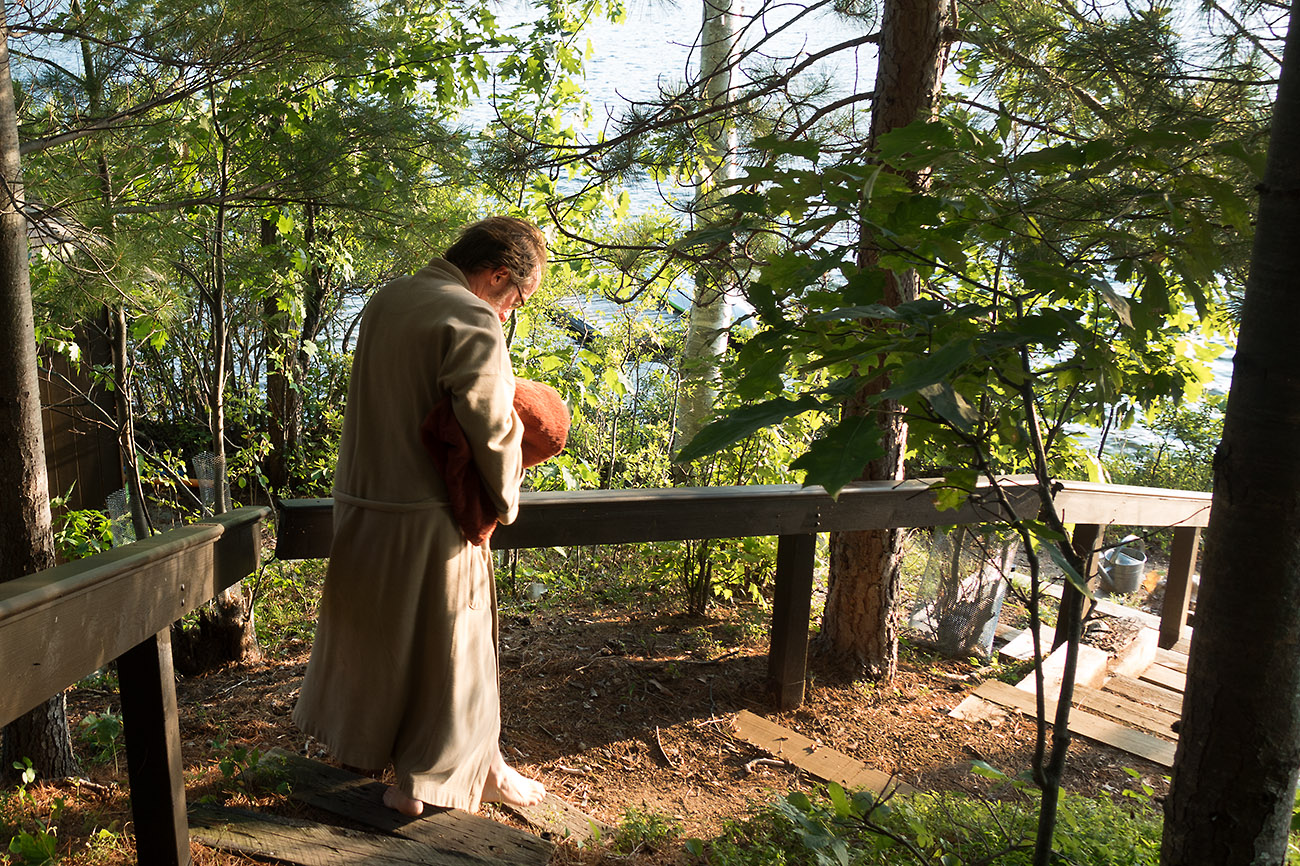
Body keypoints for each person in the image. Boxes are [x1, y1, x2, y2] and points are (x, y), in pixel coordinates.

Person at [293, 216, 548, 818]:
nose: (510, 312)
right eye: (518, 298)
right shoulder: (473, 316)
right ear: (497, 276)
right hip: (428, 519)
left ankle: (478, 768)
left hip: (361, 507)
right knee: (454, 657)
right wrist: (507, 494)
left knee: (378, 647)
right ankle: (422, 787)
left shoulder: (388, 298)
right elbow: (488, 425)